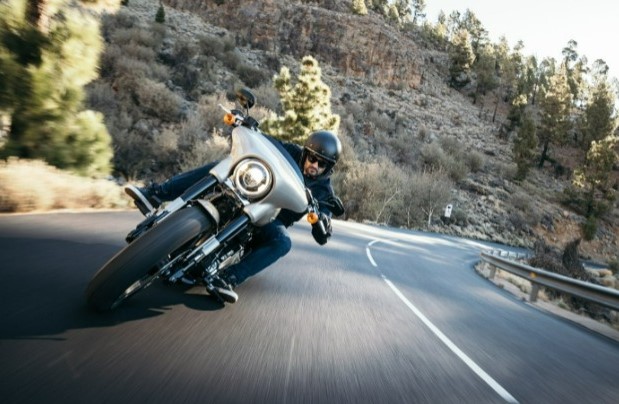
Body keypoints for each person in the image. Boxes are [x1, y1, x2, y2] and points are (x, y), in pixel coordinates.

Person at [125, 130, 342, 303]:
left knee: (282, 243)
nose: (314, 164)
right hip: (248, 192)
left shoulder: (324, 192)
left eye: (321, 163)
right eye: (312, 157)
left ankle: (229, 278)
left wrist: (323, 222)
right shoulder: (291, 151)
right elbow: (263, 144)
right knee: (219, 168)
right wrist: (249, 128)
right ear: (306, 152)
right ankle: (155, 194)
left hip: (269, 220)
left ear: (328, 167)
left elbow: (324, 225)